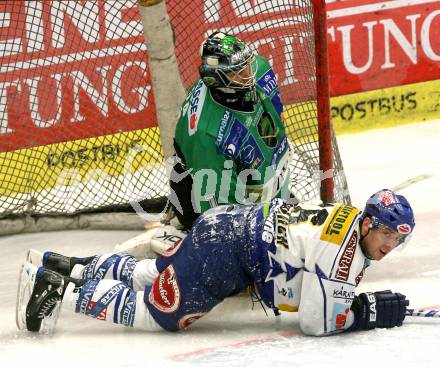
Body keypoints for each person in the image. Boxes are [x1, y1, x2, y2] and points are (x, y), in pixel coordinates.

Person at [17, 189, 414, 335]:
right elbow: (316, 321)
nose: (390, 245)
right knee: (155, 314)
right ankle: (60, 290)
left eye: (399, 239)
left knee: (152, 274)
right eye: (385, 234)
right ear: (365, 223)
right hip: (225, 256)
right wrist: (366, 312)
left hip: (225, 222)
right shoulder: (344, 249)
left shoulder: (346, 218)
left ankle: (71, 265)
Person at [168, 31, 292, 229]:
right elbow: (223, 218)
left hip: (251, 181)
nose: (249, 75)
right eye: (238, 72)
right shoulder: (208, 135)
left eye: (247, 65)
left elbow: (277, 118)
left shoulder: (258, 69)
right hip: (199, 194)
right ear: (215, 79)